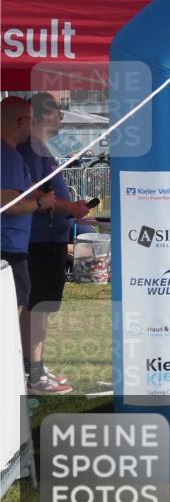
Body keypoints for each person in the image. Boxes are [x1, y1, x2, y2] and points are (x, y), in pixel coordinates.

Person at [3, 96, 64, 393]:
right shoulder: (11, 154)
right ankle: (28, 374)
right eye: (56, 111)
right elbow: (7, 201)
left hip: (22, 244)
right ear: (23, 121)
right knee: (22, 310)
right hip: (16, 246)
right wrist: (41, 202)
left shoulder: (16, 153)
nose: (61, 117)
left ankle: (27, 371)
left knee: (26, 308)